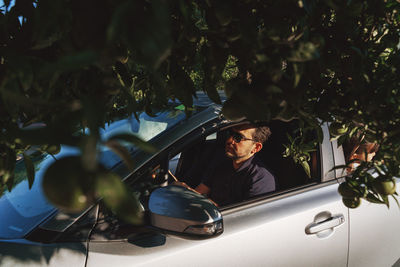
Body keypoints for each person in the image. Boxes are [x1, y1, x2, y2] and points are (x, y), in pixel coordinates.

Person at [194, 123, 276, 206]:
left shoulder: (261, 179)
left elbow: (245, 216)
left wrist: (203, 201)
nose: (229, 140)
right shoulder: (221, 163)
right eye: (230, 134)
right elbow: (199, 191)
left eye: (238, 138)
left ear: (256, 147)